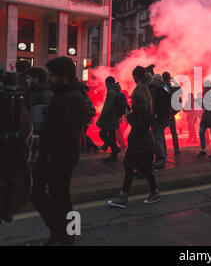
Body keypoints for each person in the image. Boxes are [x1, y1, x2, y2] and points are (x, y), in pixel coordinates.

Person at [31, 57, 86, 245]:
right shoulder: (61, 93)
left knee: (61, 198)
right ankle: (60, 232)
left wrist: (51, 155)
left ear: (64, 76)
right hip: (50, 154)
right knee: (39, 193)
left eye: (53, 75)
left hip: (60, 156)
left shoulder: (73, 97)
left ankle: (68, 236)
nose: (50, 79)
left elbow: (68, 131)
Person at [108, 84, 160, 208]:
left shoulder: (145, 110)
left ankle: (125, 197)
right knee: (136, 169)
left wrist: (129, 115)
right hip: (140, 144)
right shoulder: (143, 108)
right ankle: (150, 193)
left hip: (141, 144)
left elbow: (139, 126)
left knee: (137, 169)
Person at [0, 72, 32, 224]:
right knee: (11, 179)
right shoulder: (20, 98)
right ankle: (8, 210)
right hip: (15, 150)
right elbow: (27, 128)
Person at [97, 76, 122, 163]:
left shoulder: (111, 92)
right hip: (114, 117)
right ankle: (114, 155)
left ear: (107, 83)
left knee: (102, 133)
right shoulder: (117, 90)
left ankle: (114, 149)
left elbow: (107, 107)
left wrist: (101, 118)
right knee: (111, 135)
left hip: (110, 118)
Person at [149, 74, 172, 169]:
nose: (153, 83)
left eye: (154, 80)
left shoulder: (160, 90)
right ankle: (162, 155)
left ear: (158, 81)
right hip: (164, 117)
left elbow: (159, 105)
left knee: (157, 137)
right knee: (160, 136)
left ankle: (161, 157)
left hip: (160, 118)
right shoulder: (166, 89)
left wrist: (155, 115)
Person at [163, 71, 180, 155]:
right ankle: (176, 149)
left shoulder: (162, 86)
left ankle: (164, 151)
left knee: (161, 133)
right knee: (173, 131)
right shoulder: (173, 86)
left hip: (164, 113)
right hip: (172, 112)